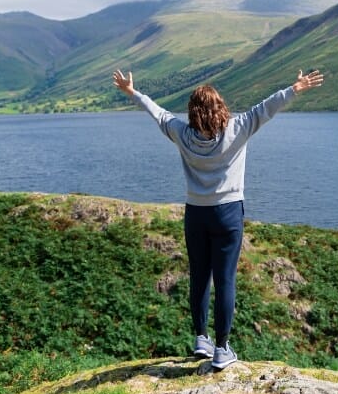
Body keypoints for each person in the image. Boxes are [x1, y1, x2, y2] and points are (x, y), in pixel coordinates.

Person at [112, 68, 324, 370]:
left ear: (192, 112)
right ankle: (222, 348)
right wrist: (295, 88)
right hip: (227, 213)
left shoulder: (182, 134)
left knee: (199, 277)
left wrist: (132, 92)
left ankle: (201, 338)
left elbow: (157, 113)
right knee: (225, 280)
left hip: (195, 214)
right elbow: (267, 107)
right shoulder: (238, 128)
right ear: (220, 107)